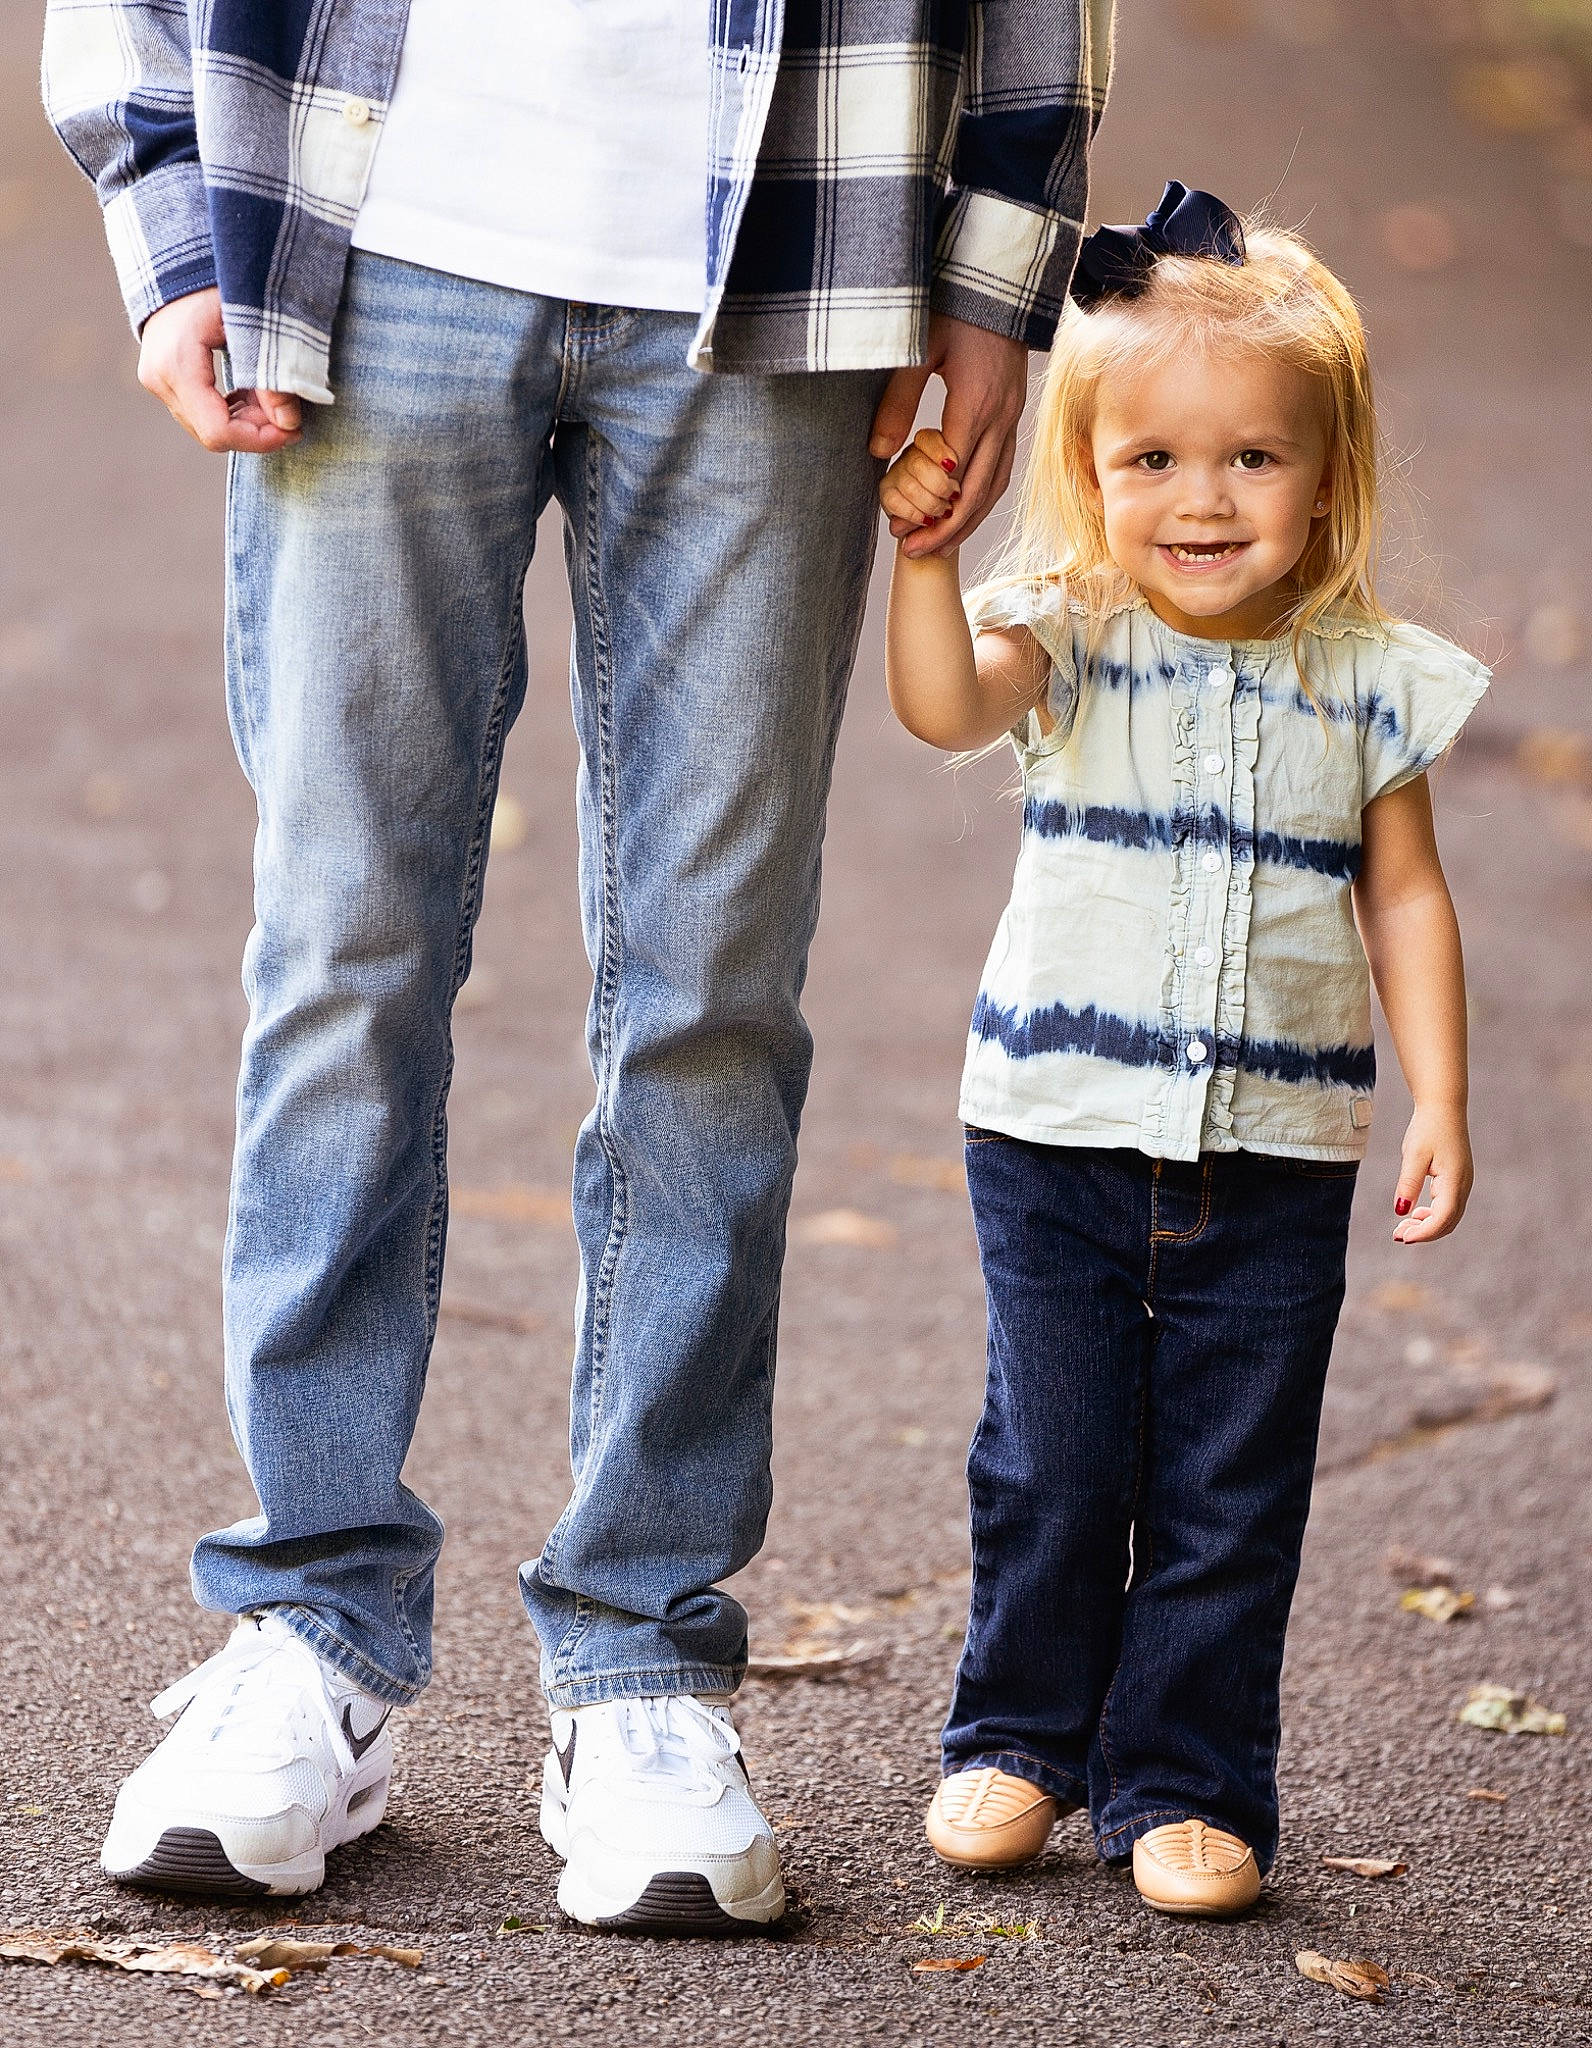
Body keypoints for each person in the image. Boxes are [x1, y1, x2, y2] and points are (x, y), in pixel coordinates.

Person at [42, 0, 1112, 1929]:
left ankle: (640, 1661)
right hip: (365, 234)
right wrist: (179, 221)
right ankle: (311, 1631)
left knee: (714, 989)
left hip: (795, 255)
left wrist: (993, 274)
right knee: (343, 969)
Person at [879, 184, 1485, 1917]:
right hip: (1056, 1128)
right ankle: (1015, 1738)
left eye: (1250, 462)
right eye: (1150, 460)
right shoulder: (1068, 633)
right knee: (1056, 1462)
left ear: (1327, 470)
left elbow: (1412, 900)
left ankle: (1190, 1780)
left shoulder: (1373, 681)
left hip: (1281, 1149)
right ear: (1089, 473)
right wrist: (922, 556)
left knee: (1231, 1489)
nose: (1200, 500)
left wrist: (1440, 1094)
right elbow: (939, 707)